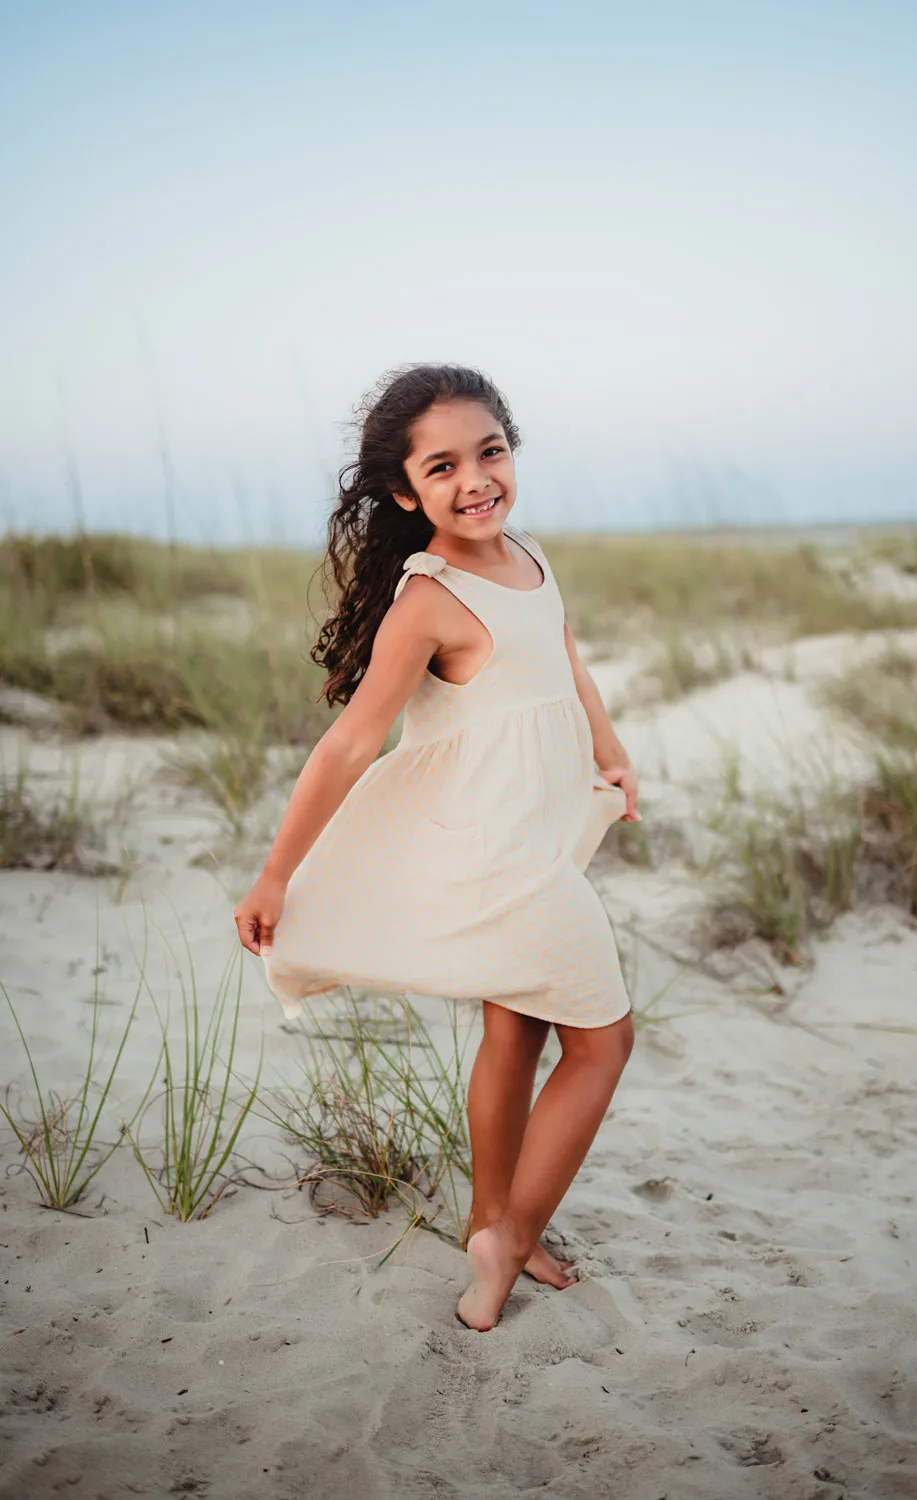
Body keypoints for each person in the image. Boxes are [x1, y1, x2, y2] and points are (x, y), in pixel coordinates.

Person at [234, 364, 639, 1331]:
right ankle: (507, 1240)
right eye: (444, 465)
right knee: (605, 1040)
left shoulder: (528, 558)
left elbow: (564, 651)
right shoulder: (430, 596)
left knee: (518, 1027)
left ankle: (494, 1221)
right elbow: (348, 741)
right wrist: (277, 871)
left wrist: (612, 753)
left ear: (512, 451)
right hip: (497, 855)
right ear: (406, 491)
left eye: (490, 451)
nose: (476, 480)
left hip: (536, 831)